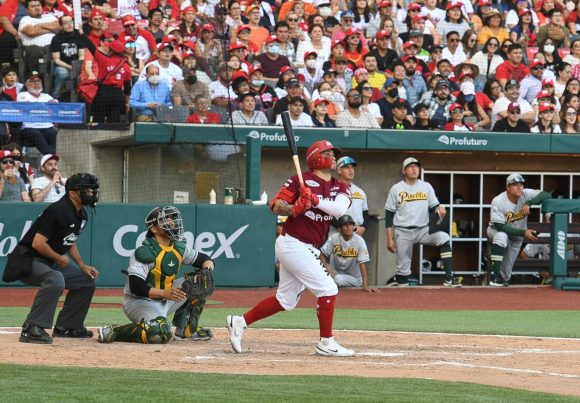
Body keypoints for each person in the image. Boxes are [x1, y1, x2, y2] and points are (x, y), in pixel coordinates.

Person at [226, 139, 355, 357]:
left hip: (310, 247)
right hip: (293, 243)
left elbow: (339, 210)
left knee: (285, 301)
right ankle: (326, 342)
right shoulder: (299, 180)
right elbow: (276, 206)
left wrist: (314, 200)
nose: (334, 157)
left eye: (334, 153)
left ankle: (240, 321)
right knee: (328, 289)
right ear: (316, 156)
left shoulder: (340, 186)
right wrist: (295, 208)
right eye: (329, 153)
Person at [3, 173, 100, 344]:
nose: (91, 192)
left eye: (92, 189)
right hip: (27, 260)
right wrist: (59, 258)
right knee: (55, 279)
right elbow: (38, 243)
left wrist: (82, 266)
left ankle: (67, 326)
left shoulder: (82, 214)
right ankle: (32, 328)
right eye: (86, 189)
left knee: (86, 281)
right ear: (72, 193)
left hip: (49, 261)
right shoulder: (58, 210)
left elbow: (69, 241)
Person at [97, 206, 215, 344]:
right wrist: (164, 293)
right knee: (160, 332)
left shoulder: (178, 248)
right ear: (153, 229)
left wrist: (207, 271)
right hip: (140, 302)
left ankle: (186, 330)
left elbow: (206, 260)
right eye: (165, 220)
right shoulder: (145, 252)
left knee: (202, 281)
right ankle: (114, 331)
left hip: (167, 297)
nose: (171, 222)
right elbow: (136, 287)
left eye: (171, 219)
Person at [384, 157, 459, 287]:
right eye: (410, 166)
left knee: (444, 238)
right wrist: (389, 238)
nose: (414, 169)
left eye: (416, 166)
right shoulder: (396, 188)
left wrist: (440, 208)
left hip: (422, 229)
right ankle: (403, 294)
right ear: (403, 170)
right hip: (402, 231)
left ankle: (449, 278)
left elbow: (433, 206)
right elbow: (389, 215)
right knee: (403, 266)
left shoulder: (426, 186)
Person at [487, 173, 551, 286]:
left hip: (516, 237)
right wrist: (523, 232)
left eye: (521, 184)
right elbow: (500, 226)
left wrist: (529, 202)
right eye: (515, 184)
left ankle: (500, 279)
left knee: (506, 274)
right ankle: (494, 277)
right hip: (496, 231)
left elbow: (546, 195)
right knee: (502, 236)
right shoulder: (498, 200)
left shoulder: (525, 194)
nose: (519, 187)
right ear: (507, 187)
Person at [320, 215, 378, 292]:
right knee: (321, 271)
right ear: (339, 228)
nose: (348, 227)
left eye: (350, 224)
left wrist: (365, 285)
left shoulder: (359, 240)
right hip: (336, 273)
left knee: (338, 279)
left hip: (354, 278)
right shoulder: (334, 238)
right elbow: (322, 253)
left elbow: (362, 263)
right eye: (345, 225)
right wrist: (328, 269)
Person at [16, 72, 58, 155]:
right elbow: (27, 108)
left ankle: (50, 158)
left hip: (47, 126)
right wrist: (45, 106)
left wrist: (38, 106)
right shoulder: (22, 95)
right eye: (33, 81)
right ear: (27, 84)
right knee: (36, 134)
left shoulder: (46, 96)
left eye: (38, 81)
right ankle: (51, 157)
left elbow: (56, 106)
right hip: (29, 128)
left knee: (53, 133)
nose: (36, 83)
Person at [49, 15, 85, 100]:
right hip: (62, 66)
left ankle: (82, 99)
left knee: (83, 75)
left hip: (77, 65)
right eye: (65, 23)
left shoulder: (78, 35)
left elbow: (82, 55)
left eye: (70, 22)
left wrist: (77, 67)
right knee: (63, 73)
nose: (69, 25)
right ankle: (55, 96)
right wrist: (70, 67)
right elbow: (57, 60)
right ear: (61, 26)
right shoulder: (56, 38)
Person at [333, 156, 368, 237]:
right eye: (346, 167)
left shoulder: (360, 191)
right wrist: (339, 226)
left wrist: (364, 227)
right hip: (337, 234)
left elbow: (365, 214)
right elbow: (327, 213)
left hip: (356, 235)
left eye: (352, 167)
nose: (351, 170)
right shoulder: (332, 189)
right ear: (339, 170)